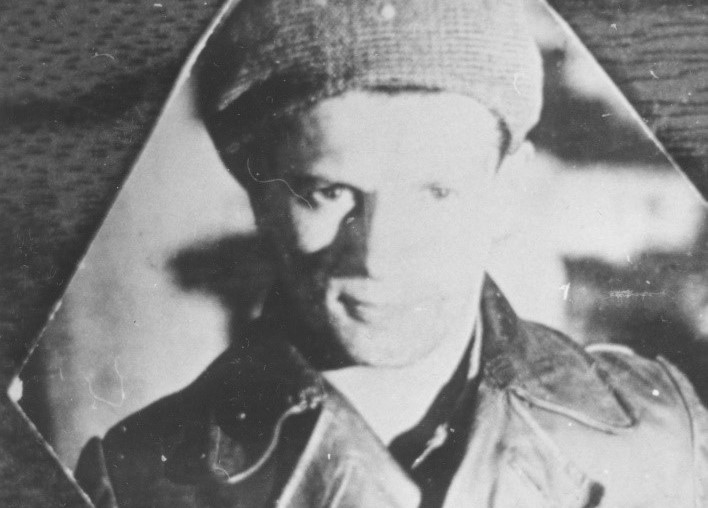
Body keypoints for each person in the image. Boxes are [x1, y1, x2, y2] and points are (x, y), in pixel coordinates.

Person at [74, 0, 708, 506]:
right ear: (258, 191)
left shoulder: (662, 435)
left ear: (508, 189)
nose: (377, 255)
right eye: (330, 192)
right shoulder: (139, 482)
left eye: (435, 193)